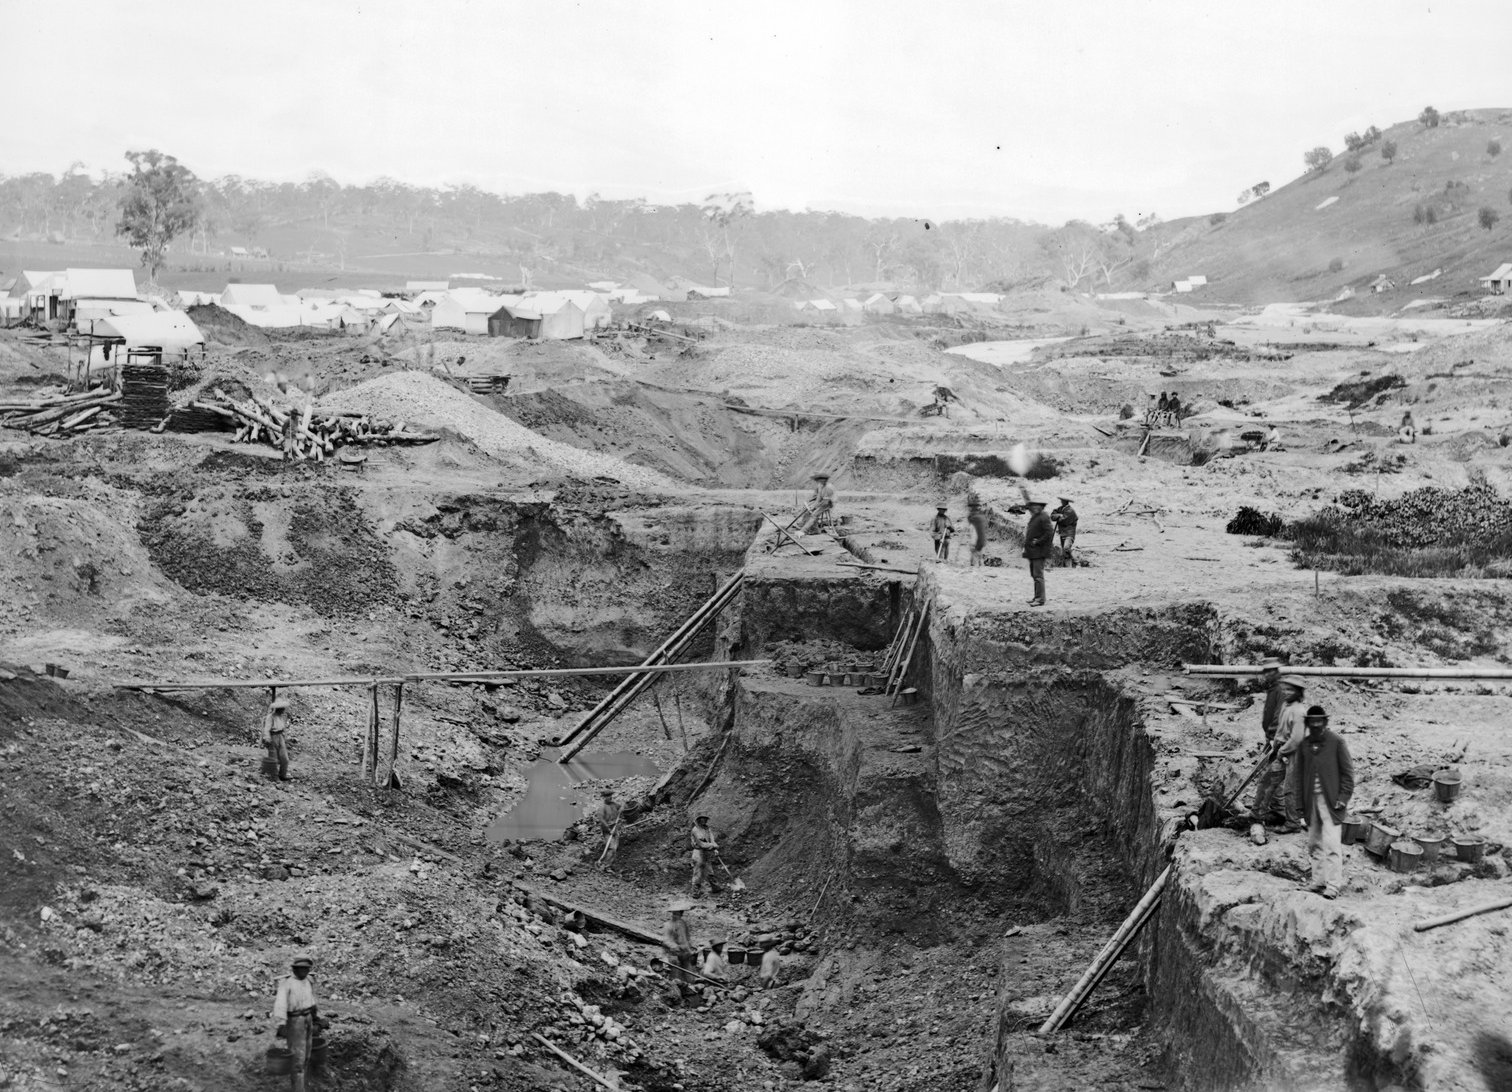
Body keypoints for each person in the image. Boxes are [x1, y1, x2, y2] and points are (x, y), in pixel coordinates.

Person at [1291, 705, 1354, 899]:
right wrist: (1300, 806)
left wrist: (1343, 798)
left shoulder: (1337, 742)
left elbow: (1348, 774)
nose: (1316, 726)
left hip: (1331, 803)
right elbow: (1298, 777)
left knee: (1332, 844)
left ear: (1325, 723)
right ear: (1308, 724)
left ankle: (1333, 885)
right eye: (1312, 723)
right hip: (1311, 804)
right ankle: (1318, 881)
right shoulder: (1304, 745)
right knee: (1314, 843)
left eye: (1320, 722)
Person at [273, 955, 319, 1092]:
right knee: (297, 1059)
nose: (304, 971)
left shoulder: (308, 981)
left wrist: (316, 1017)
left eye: (306, 969)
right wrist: (281, 1024)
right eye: (301, 969)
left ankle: (302, 1085)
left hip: (308, 1018)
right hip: (295, 1021)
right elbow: (280, 1005)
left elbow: (312, 1000)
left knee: (307, 1055)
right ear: (295, 969)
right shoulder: (287, 984)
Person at [1251, 657, 1289, 823]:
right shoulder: (1273, 688)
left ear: (1276, 672)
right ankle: (1277, 811)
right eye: (1266, 672)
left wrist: (1273, 737)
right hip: (1273, 738)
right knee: (1273, 776)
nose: (1267, 675)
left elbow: (1278, 715)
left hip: (1279, 739)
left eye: (1270, 671)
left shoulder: (1281, 689)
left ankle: (1281, 814)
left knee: (1274, 776)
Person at [1271, 675, 1309, 832]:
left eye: (1290, 690)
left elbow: (1297, 738)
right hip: (1281, 748)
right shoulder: (1287, 707)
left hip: (1294, 751)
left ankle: (1293, 823)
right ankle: (1277, 812)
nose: (1286, 692)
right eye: (1284, 689)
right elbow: (1281, 730)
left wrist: (1282, 751)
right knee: (1270, 781)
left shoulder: (1299, 711)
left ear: (1298, 692)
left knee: (1290, 788)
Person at [1021, 496, 1054, 607]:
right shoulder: (1036, 516)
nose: (1034, 507)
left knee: (1038, 576)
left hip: (1039, 551)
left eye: (1037, 505)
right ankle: (1037, 597)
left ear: (1041, 506)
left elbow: (1049, 533)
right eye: (1033, 505)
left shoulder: (1044, 517)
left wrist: (1038, 542)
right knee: (1035, 575)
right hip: (1033, 551)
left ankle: (1040, 599)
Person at [661, 900, 697, 976]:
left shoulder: (667, 924)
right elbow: (683, 941)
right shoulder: (680, 924)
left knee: (678, 973)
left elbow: (665, 940)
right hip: (676, 953)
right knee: (683, 971)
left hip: (672, 952)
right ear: (681, 913)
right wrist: (690, 951)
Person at [262, 696, 293, 782]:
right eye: (281, 708)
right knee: (273, 758)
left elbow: (283, 728)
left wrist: (284, 737)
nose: (283, 709)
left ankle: (283, 774)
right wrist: (267, 738)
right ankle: (274, 777)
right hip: (273, 737)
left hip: (280, 737)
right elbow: (266, 729)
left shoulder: (282, 717)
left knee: (284, 758)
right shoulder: (270, 717)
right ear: (278, 708)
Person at [689, 815, 718, 897]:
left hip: (707, 852)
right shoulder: (695, 830)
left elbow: (712, 840)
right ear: (698, 820)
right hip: (698, 853)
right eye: (702, 819)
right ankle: (695, 892)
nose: (704, 820)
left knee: (710, 871)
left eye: (705, 819)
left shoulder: (707, 829)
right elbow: (701, 844)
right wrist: (713, 846)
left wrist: (715, 848)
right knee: (698, 873)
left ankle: (715, 887)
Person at [596, 789, 622, 870]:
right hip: (607, 830)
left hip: (615, 829)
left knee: (615, 848)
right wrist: (608, 829)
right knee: (611, 848)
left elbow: (622, 807)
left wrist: (622, 808)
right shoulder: (602, 807)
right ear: (604, 797)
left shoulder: (614, 804)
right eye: (608, 796)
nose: (610, 797)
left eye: (610, 795)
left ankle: (608, 866)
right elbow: (601, 820)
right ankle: (604, 865)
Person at [1050, 497, 1077, 566]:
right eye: (1061, 501)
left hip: (1069, 534)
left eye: (1062, 501)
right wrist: (1059, 515)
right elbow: (1052, 516)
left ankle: (1076, 560)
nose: (1061, 502)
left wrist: (1059, 517)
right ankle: (1068, 566)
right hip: (1062, 533)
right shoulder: (1060, 509)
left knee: (1066, 548)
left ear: (1066, 502)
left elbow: (1062, 520)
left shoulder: (1070, 511)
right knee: (1064, 552)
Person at [967, 500, 989, 567]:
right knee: (980, 556)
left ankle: (975, 567)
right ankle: (980, 566)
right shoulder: (981, 517)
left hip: (976, 540)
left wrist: (973, 543)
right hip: (981, 540)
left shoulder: (975, 518)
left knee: (975, 556)